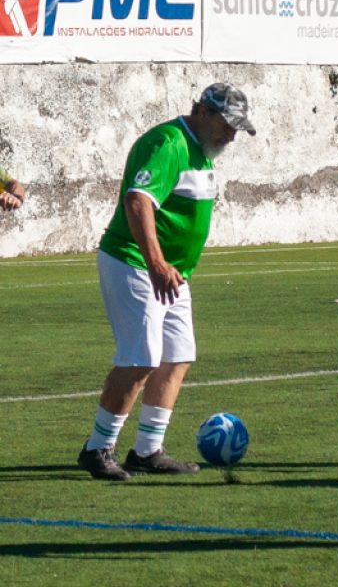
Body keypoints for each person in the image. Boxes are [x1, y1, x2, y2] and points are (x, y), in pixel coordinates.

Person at [77, 83, 256, 481]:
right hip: (135, 263)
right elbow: (138, 201)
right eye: (227, 125)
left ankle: (147, 450)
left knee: (177, 356)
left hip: (171, 273)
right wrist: (156, 263)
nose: (231, 135)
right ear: (201, 112)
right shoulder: (168, 143)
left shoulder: (204, 151)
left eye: (237, 129)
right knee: (140, 357)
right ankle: (97, 448)